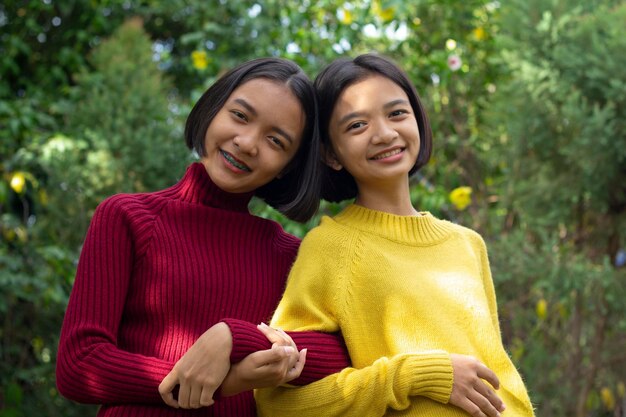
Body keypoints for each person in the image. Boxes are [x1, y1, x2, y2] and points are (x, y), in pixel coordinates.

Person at [56, 57, 349, 417]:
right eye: (240, 116)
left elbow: (340, 353)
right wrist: (223, 382)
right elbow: (79, 364)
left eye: (276, 140)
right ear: (213, 109)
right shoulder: (128, 218)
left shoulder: (288, 256)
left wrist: (236, 338)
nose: (247, 143)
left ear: (287, 166)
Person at [251, 54, 536, 416]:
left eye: (397, 113)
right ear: (331, 154)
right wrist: (410, 376)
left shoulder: (468, 244)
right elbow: (278, 404)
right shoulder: (331, 247)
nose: (385, 134)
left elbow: (498, 373)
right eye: (356, 126)